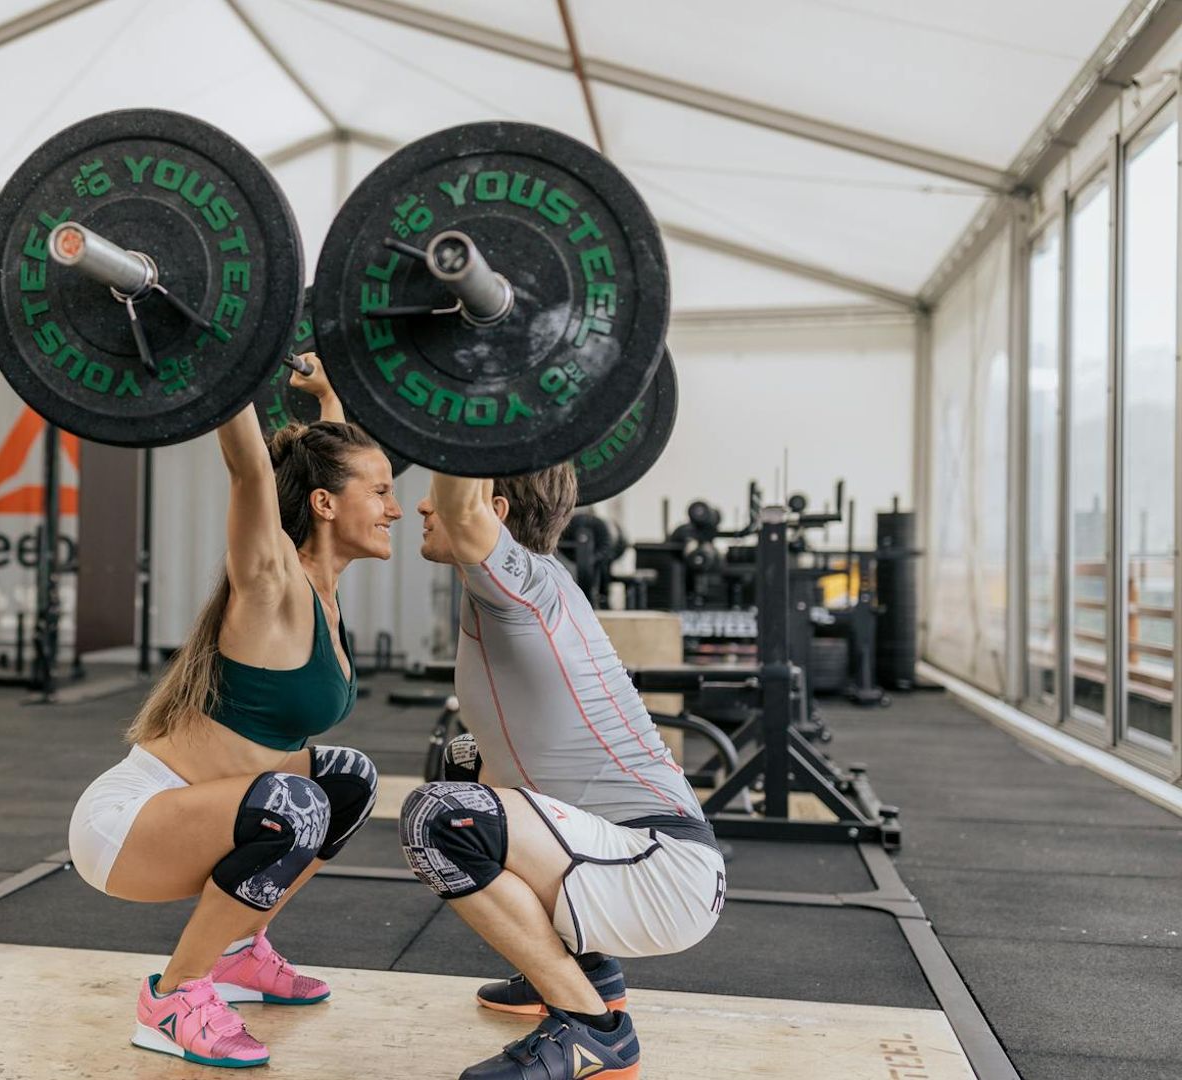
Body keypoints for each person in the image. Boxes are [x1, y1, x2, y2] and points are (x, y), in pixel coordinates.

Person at [67, 356, 402, 1068]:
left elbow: (330, 459)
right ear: (325, 505)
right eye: (382, 492)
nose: (394, 509)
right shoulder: (272, 583)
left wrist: (330, 398)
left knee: (348, 780)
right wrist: (231, 360)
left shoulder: (326, 593)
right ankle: (172, 997)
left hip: (210, 812)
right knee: (297, 805)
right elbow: (251, 471)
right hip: (126, 825)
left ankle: (239, 953)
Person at [401, 465, 725, 1080]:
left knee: (440, 819)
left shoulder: (522, 585)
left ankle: (594, 1031)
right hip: (638, 854)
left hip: (661, 872)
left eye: (435, 497)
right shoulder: (529, 581)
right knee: (467, 760)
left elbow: (462, 507)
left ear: (495, 512)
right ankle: (585, 968)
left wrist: (456, 418)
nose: (420, 507)